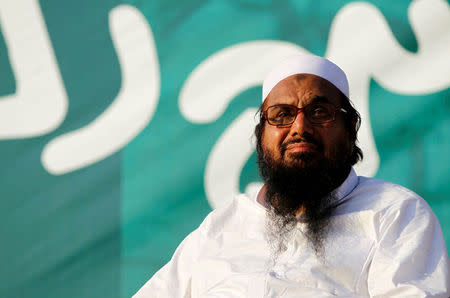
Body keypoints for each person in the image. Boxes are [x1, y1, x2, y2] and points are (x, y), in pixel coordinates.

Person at [134, 55, 450, 297]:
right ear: (261, 134)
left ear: (350, 129)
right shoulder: (220, 226)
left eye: (319, 112)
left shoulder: (395, 213)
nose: (299, 127)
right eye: (282, 115)